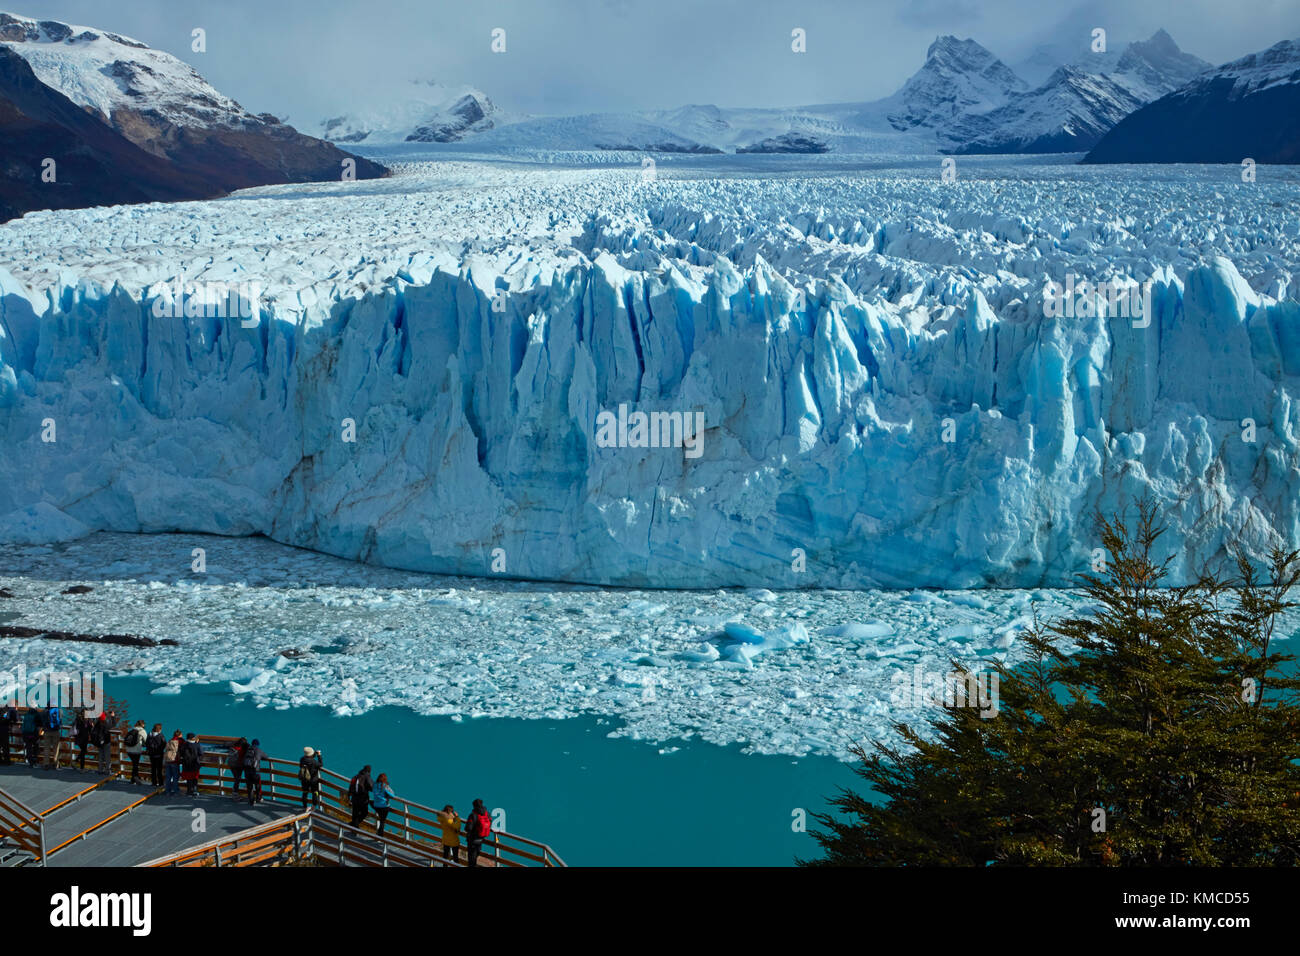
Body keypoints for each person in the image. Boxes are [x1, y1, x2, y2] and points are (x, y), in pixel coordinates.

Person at [464, 798, 492, 868]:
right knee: (476, 854)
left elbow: (468, 828)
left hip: (472, 838)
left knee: (471, 858)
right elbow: (490, 822)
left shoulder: (473, 815)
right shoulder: (487, 813)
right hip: (481, 838)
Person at [242, 738, 264, 805]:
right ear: (258, 744)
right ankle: (258, 798)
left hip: (247, 771)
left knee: (249, 786)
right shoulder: (258, 750)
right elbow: (267, 757)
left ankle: (251, 801)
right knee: (257, 785)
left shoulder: (247, 750)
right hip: (255, 772)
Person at [123, 720, 147, 784]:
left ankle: (133, 779)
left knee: (134, 764)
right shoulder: (142, 731)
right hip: (136, 750)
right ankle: (136, 778)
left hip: (129, 750)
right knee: (135, 765)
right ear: (142, 725)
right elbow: (146, 740)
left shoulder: (132, 730)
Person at [145, 723, 166, 787]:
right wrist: (161, 750)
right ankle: (160, 783)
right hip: (159, 754)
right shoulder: (161, 735)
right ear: (159, 729)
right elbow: (164, 743)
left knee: (153, 769)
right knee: (159, 770)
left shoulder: (150, 734)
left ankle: (154, 782)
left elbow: (147, 743)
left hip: (151, 754)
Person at [163, 729, 183, 794]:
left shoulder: (170, 740)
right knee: (175, 776)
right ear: (180, 735)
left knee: (168, 776)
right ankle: (175, 790)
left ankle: (167, 790)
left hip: (168, 760)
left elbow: (165, 749)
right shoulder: (180, 741)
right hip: (175, 760)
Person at [43, 704, 62, 769]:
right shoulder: (59, 710)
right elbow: (60, 720)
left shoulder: (45, 711)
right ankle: (56, 764)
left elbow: (43, 720)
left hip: (47, 732)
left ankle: (46, 764)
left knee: (46, 749)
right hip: (56, 732)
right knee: (56, 749)